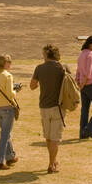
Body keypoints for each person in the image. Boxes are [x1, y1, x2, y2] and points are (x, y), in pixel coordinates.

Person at [28, 45, 69, 173]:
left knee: (48, 137)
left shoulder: (39, 68)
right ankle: (52, 164)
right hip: (58, 107)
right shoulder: (63, 68)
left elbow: (32, 86)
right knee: (55, 138)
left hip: (44, 106)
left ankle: (53, 161)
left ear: (46, 55)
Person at [0, 54, 21, 170]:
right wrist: (16, 90)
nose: (11, 65)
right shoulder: (8, 76)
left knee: (5, 133)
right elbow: (10, 94)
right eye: (10, 62)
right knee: (5, 134)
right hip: (7, 108)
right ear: (6, 64)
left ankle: (10, 156)